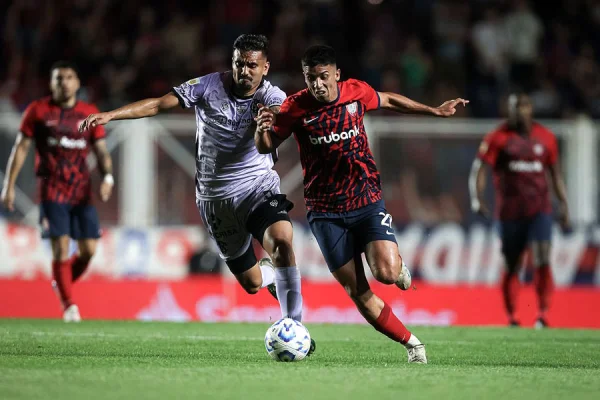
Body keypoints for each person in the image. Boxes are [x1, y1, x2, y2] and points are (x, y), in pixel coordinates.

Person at [79, 34, 314, 354]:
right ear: (232, 63)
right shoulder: (207, 86)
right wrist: (110, 115)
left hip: (257, 187)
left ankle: (294, 326)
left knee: (283, 242)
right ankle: (270, 275)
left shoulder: (272, 96)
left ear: (265, 67)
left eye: (252, 66)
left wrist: (269, 121)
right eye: (239, 64)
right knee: (252, 284)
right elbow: (159, 104)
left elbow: (279, 115)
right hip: (214, 200)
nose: (244, 71)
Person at [255, 44, 469, 363]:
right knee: (359, 292)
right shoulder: (294, 108)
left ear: (337, 75)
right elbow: (266, 146)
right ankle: (414, 345)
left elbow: (390, 99)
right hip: (325, 214)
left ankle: (396, 266)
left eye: (323, 76)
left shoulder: (355, 92)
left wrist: (433, 110)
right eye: (310, 78)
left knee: (386, 272)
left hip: (366, 200)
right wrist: (261, 131)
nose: (317, 84)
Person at [1, 61, 114, 322]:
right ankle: (69, 305)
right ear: (51, 83)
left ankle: (61, 282)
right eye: (58, 78)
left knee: (88, 251)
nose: (64, 82)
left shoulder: (89, 112)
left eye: (69, 77)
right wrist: (9, 186)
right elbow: (21, 148)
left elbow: (102, 151)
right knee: (60, 248)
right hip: (52, 190)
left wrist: (108, 177)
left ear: (77, 83)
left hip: (82, 192)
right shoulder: (38, 111)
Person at [469, 92, 569, 329]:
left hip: (540, 210)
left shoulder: (546, 138)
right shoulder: (498, 138)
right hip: (510, 213)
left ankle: (543, 314)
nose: (519, 112)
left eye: (523, 107)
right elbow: (480, 169)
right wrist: (476, 198)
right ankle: (513, 316)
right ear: (509, 111)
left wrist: (564, 204)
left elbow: (555, 174)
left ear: (530, 109)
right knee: (513, 264)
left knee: (543, 258)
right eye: (515, 108)